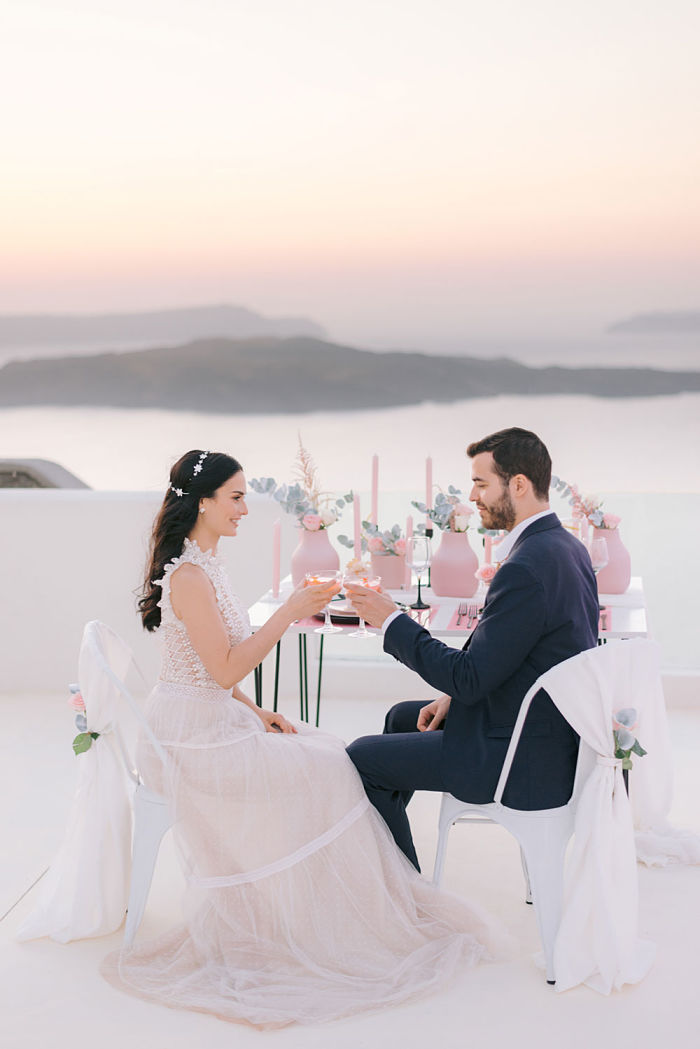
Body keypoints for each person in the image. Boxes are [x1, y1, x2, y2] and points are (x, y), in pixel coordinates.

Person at [101, 449, 504, 1028]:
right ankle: (319, 921)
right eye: (235, 497)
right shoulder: (190, 576)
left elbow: (202, 668)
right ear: (205, 502)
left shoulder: (205, 564)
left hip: (212, 717)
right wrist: (289, 611)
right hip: (189, 741)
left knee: (323, 748)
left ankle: (347, 909)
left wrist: (256, 710)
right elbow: (222, 669)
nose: (244, 509)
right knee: (331, 769)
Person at [346, 427, 599, 871]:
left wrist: (390, 619)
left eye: (482, 483)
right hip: (546, 728)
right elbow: (525, 656)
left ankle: (406, 900)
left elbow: (469, 677)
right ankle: (387, 878)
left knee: (360, 758)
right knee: (402, 717)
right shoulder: (565, 546)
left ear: (518, 484)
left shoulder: (526, 566)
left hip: (522, 756)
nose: (472, 495)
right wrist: (453, 696)